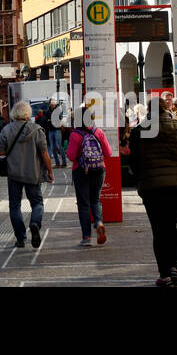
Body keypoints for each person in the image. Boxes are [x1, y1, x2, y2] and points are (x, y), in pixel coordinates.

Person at [130, 91, 177, 286]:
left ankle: (165, 273)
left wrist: (141, 180)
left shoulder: (138, 131)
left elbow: (134, 163)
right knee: (171, 227)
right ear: (166, 109)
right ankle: (174, 268)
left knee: (159, 230)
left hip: (151, 187)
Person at [0, 101, 53, 248]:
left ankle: (21, 238)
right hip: (33, 173)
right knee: (37, 203)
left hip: (14, 174)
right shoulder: (37, 130)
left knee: (15, 206)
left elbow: (1, 152)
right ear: (28, 113)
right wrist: (50, 171)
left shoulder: (6, 130)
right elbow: (44, 153)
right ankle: (34, 223)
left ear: (14, 114)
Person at [65, 99, 112, 246]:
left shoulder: (75, 134)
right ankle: (98, 223)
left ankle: (86, 237)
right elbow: (109, 153)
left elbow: (71, 156)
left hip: (81, 171)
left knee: (84, 204)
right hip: (99, 170)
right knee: (95, 200)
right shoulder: (98, 132)